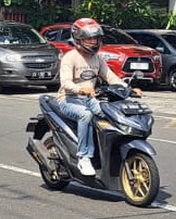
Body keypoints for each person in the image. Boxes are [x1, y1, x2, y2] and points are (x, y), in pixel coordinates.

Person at [53, 17, 123, 175]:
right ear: (79, 39)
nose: (94, 42)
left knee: (111, 113)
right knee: (86, 115)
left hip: (90, 100)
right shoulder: (70, 57)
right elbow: (65, 83)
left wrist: (128, 88)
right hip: (68, 100)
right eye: (90, 39)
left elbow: (110, 77)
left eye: (96, 38)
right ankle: (84, 157)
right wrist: (80, 89)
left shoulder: (97, 58)